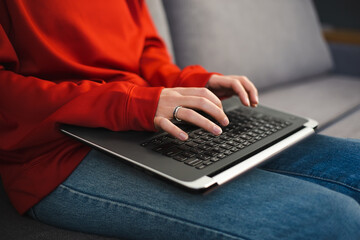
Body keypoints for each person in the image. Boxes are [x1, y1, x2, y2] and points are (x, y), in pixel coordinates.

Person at [0, 1, 359, 239]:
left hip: (147, 120)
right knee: (330, 218)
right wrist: (130, 104)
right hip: (59, 152)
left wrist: (191, 83)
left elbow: (147, 50)